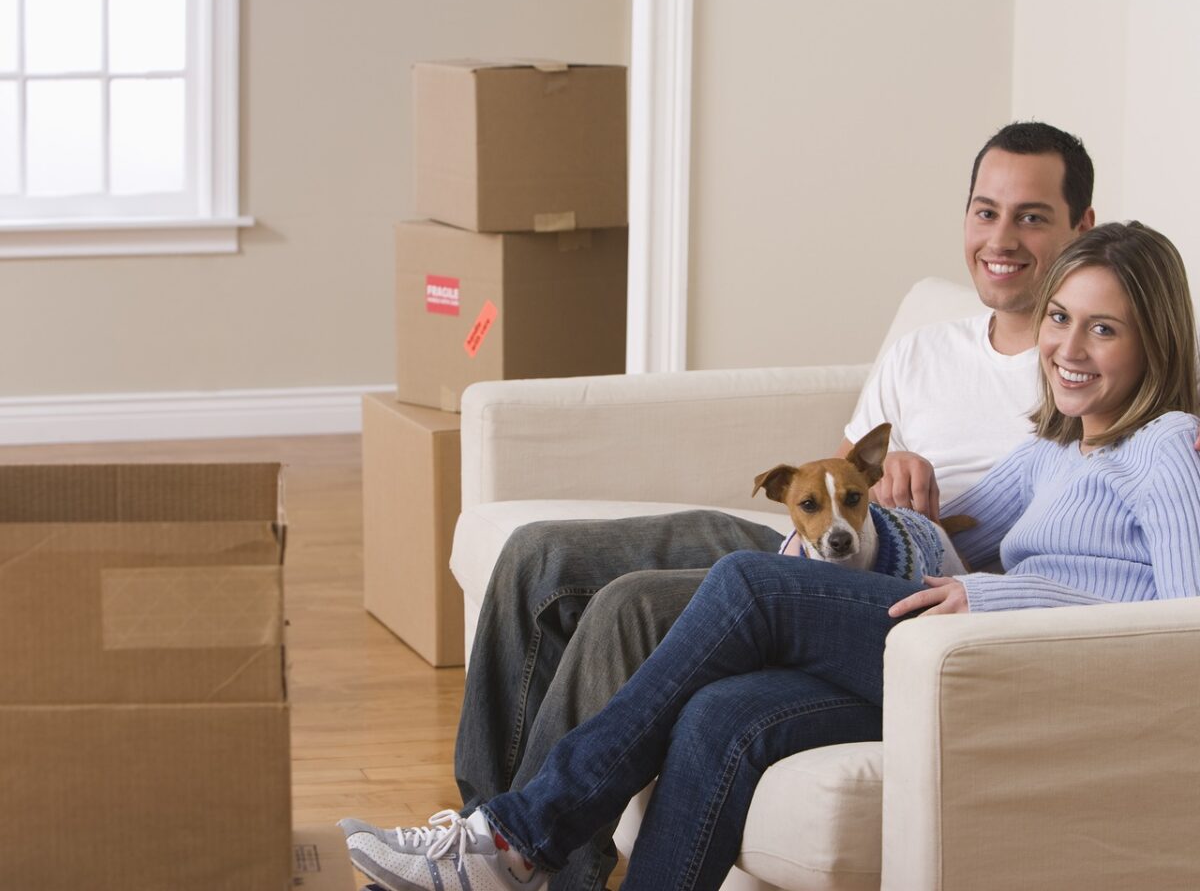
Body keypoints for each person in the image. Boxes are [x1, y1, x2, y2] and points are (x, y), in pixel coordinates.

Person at [343, 219, 1200, 891]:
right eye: (1060, 318)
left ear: (1154, 343)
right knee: (723, 717)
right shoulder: (1058, 447)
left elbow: (1184, 627)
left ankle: (517, 837)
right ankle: (517, 847)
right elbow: (955, 523)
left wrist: (997, 604)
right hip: (953, 654)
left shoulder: (1167, 446)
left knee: (750, 585)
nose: (1067, 349)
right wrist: (896, 496)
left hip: (1020, 669)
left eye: (1103, 331)